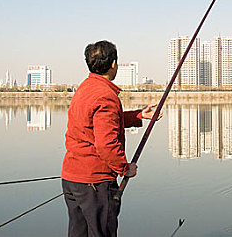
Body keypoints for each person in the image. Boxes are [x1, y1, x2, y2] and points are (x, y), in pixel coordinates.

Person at [61, 40, 161, 237]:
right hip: (95, 182)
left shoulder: (85, 88)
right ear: (114, 64)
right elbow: (106, 144)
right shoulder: (105, 95)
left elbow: (99, 123)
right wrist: (124, 168)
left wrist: (139, 115)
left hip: (72, 178)